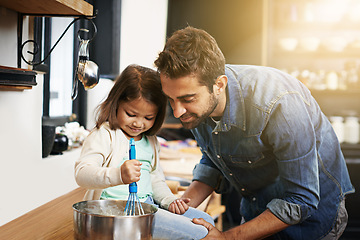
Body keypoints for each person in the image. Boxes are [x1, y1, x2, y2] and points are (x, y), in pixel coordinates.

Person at [154, 26, 355, 239]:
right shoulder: (200, 101)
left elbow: (301, 200)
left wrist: (227, 237)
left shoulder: (280, 104)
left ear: (219, 85)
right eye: (170, 99)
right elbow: (215, 157)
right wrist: (180, 210)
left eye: (187, 99)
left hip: (312, 217)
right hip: (258, 207)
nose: (177, 112)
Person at [74, 64, 214, 240]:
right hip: (115, 211)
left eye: (148, 118)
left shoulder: (150, 141)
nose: (138, 124)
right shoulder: (105, 135)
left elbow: (155, 179)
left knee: (206, 221)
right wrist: (118, 175)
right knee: (201, 233)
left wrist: (169, 201)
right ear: (116, 103)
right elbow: (82, 174)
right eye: (131, 114)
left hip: (146, 207)